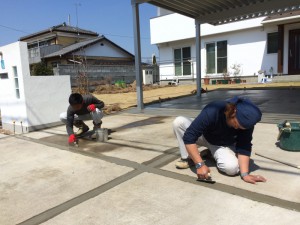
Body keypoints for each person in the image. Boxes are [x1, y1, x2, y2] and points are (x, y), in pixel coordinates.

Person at [173, 96, 267, 184]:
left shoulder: (246, 123)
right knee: (179, 122)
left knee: (232, 169)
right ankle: (188, 158)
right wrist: (199, 164)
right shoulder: (213, 110)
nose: (239, 128)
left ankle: (211, 153)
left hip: (221, 145)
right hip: (204, 135)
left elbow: (244, 145)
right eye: (236, 124)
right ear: (232, 113)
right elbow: (189, 136)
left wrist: (245, 174)